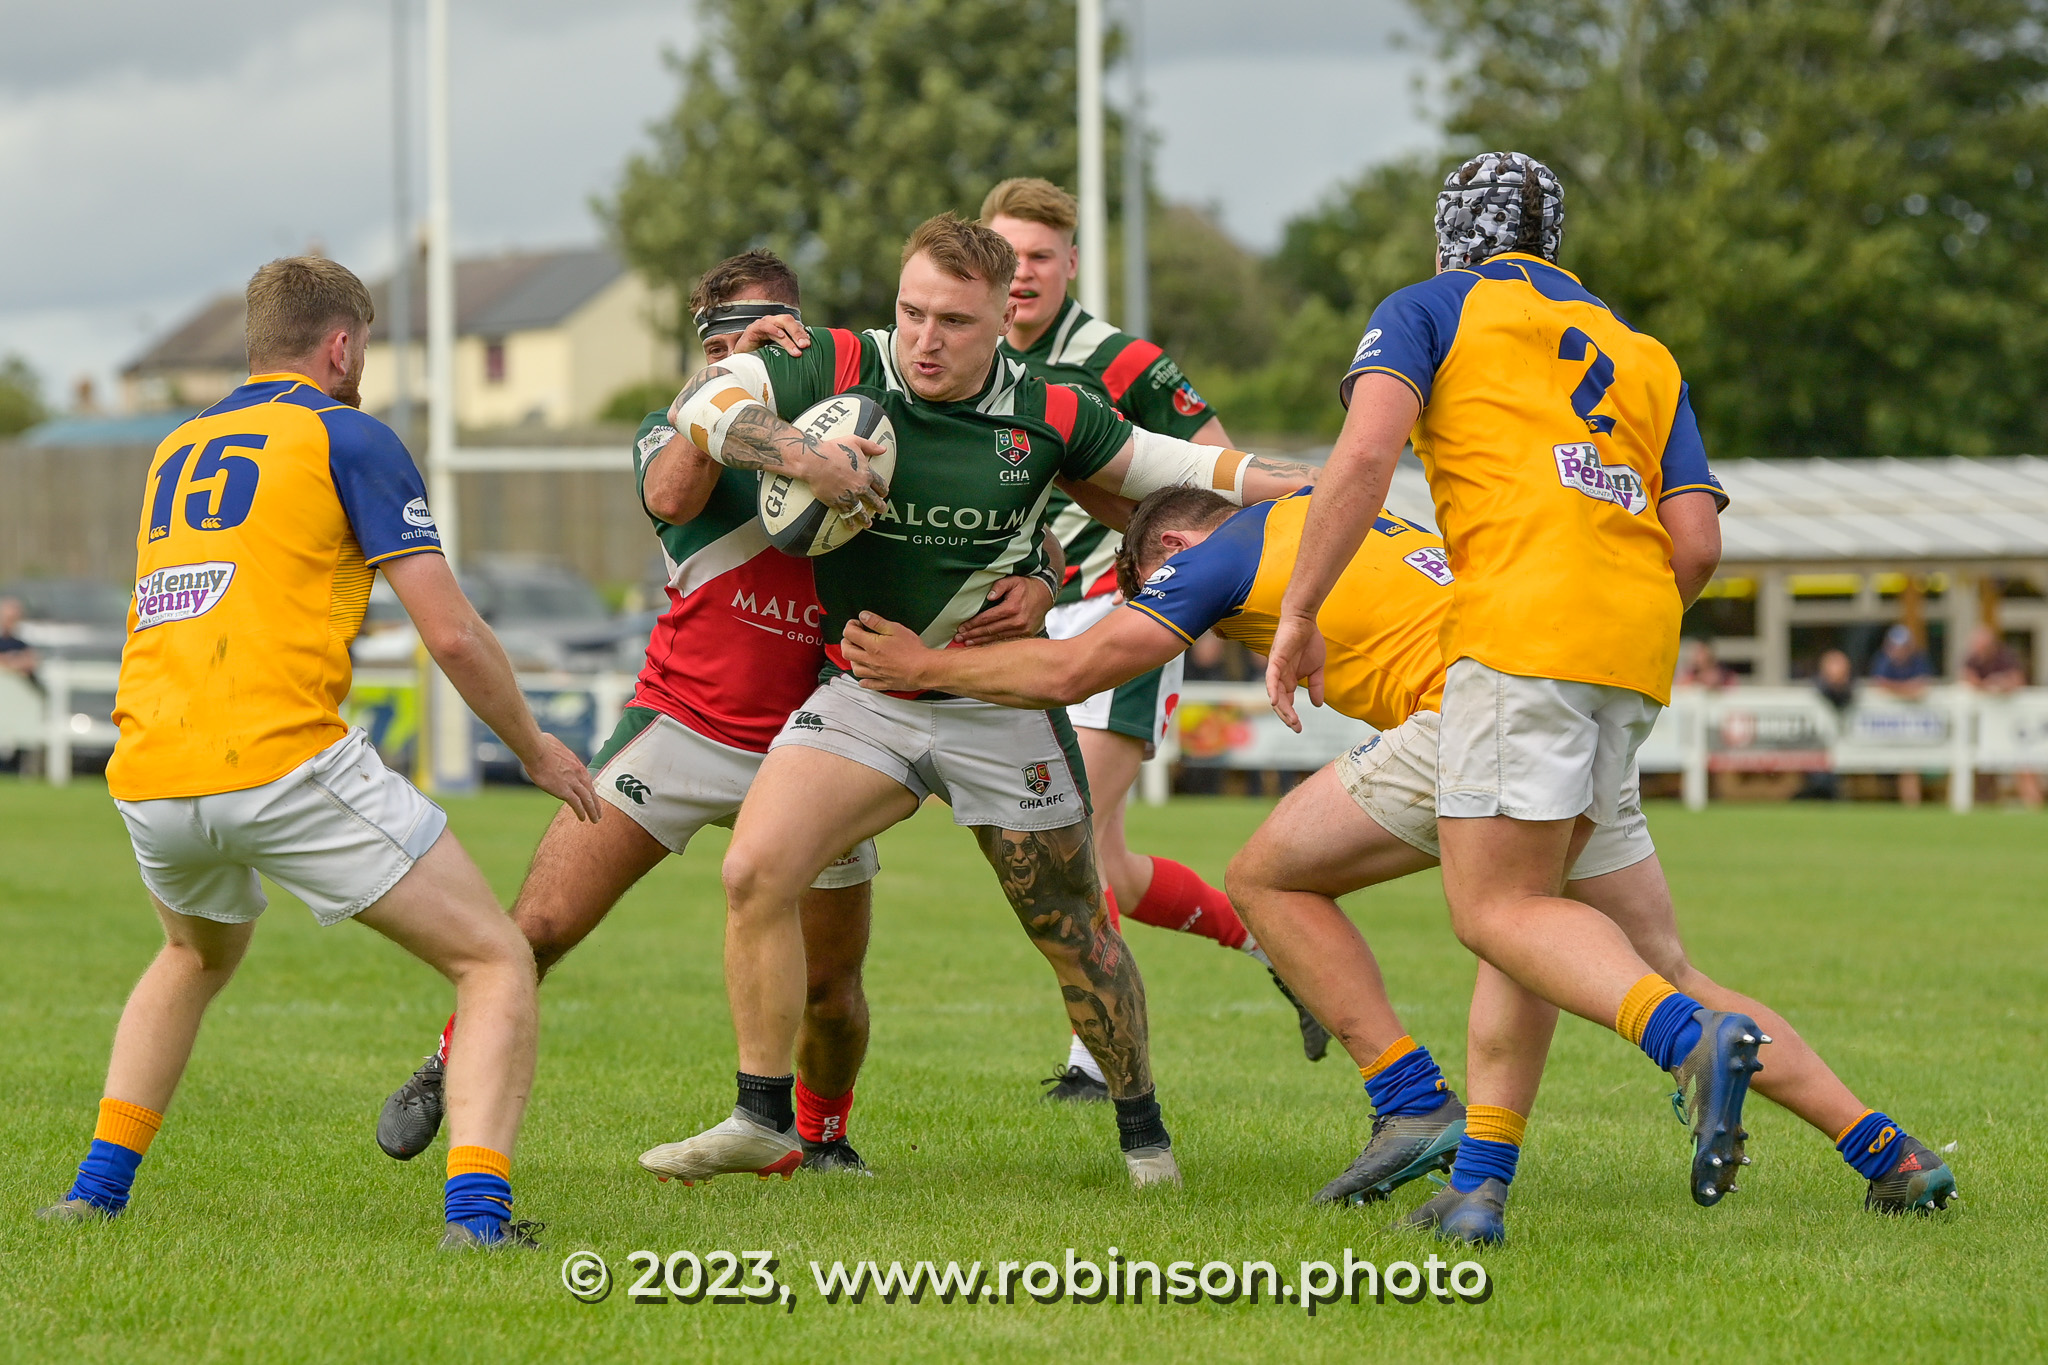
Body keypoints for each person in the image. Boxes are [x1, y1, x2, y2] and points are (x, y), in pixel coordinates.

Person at [844, 485, 1957, 1237]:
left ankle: (1417, 1096)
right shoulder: (1338, 516)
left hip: (1482, 711)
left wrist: (924, 666)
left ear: (1168, 555)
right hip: (1573, 702)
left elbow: (1077, 667)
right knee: (1599, 947)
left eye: (1157, 587)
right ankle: (1887, 1153)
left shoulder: (1222, 551)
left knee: (1269, 876)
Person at [637, 213, 1318, 1190]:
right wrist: (800, 455)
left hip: (997, 703)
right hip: (870, 690)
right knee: (753, 869)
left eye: (953, 321)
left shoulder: (1053, 409)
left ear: (1003, 320)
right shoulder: (839, 363)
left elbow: (1186, 468)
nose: (925, 339)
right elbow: (704, 401)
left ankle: (1145, 1140)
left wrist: (1324, 486)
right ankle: (759, 1115)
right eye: (912, 311)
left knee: (1073, 930)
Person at [374, 250, 1058, 1177]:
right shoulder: (673, 429)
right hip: (682, 728)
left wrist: (1044, 574)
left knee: (831, 989)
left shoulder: (869, 425)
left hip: (823, 743)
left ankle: (821, 1137)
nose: (756, 341)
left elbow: (1002, 511)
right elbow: (671, 493)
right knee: (537, 930)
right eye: (731, 334)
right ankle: (445, 1061)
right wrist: (726, 390)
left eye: (775, 326)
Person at [38, 257, 601, 1251]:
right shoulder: (348, 435)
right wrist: (536, 747)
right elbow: (453, 633)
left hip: (151, 767)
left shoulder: (177, 446)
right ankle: (477, 1222)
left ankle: (93, 1194)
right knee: (494, 960)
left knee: (192, 952)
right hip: (278, 759)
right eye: (366, 349)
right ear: (341, 346)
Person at [1262, 152, 1771, 1241]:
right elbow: (1695, 542)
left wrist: (1300, 611)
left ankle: (1688, 1039)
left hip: (1518, 632)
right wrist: (1614, 613)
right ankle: (1478, 1189)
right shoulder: (1642, 350)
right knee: (1528, 918)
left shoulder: (1427, 306)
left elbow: (1362, 458)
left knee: (1493, 911)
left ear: (1451, 235)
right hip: (1633, 646)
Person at [983, 176, 1325, 1091]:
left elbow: (1221, 472)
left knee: (1069, 835)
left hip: (1125, 611)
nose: (1023, 274)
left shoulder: (1120, 359)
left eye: (1041, 257)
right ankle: (1280, 950)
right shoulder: (973, 356)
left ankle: (1093, 1063)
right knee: (1116, 869)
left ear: (1072, 263)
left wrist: (1214, 593)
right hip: (1038, 616)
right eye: (1008, 257)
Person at [1961, 624, 2043, 807]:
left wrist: (2000, 684)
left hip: (2016, 723)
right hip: (1987, 725)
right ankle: (1986, 803)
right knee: (1982, 764)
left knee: (2024, 764)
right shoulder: (1973, 659)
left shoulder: (2005, 657)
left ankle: (2033, 803)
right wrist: (1987, 687)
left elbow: (2017, 681)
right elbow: (1967, 680)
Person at [1869, 624, 1934, 805]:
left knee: (1909, 765)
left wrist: (1896, 689)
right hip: (1883, 728)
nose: (1899, 651)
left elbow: (1922, 686)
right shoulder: (1882, 660)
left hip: (1914, 727)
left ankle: (1910, 803)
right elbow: (1880, 684)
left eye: (1903, 647)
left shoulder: (1919, 660)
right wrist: (1907, 689)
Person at [1794, 648, 1857, 801]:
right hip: (1817, 743)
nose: (1837, 677)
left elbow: (1845, 695)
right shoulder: (1816, 690)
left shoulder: (1851, 689)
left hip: (1842, 743)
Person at [0, 596, 38, 679]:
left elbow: (31, 662)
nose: (11, 623)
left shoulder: (21, 643)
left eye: (14, 618)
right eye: (9, 618)